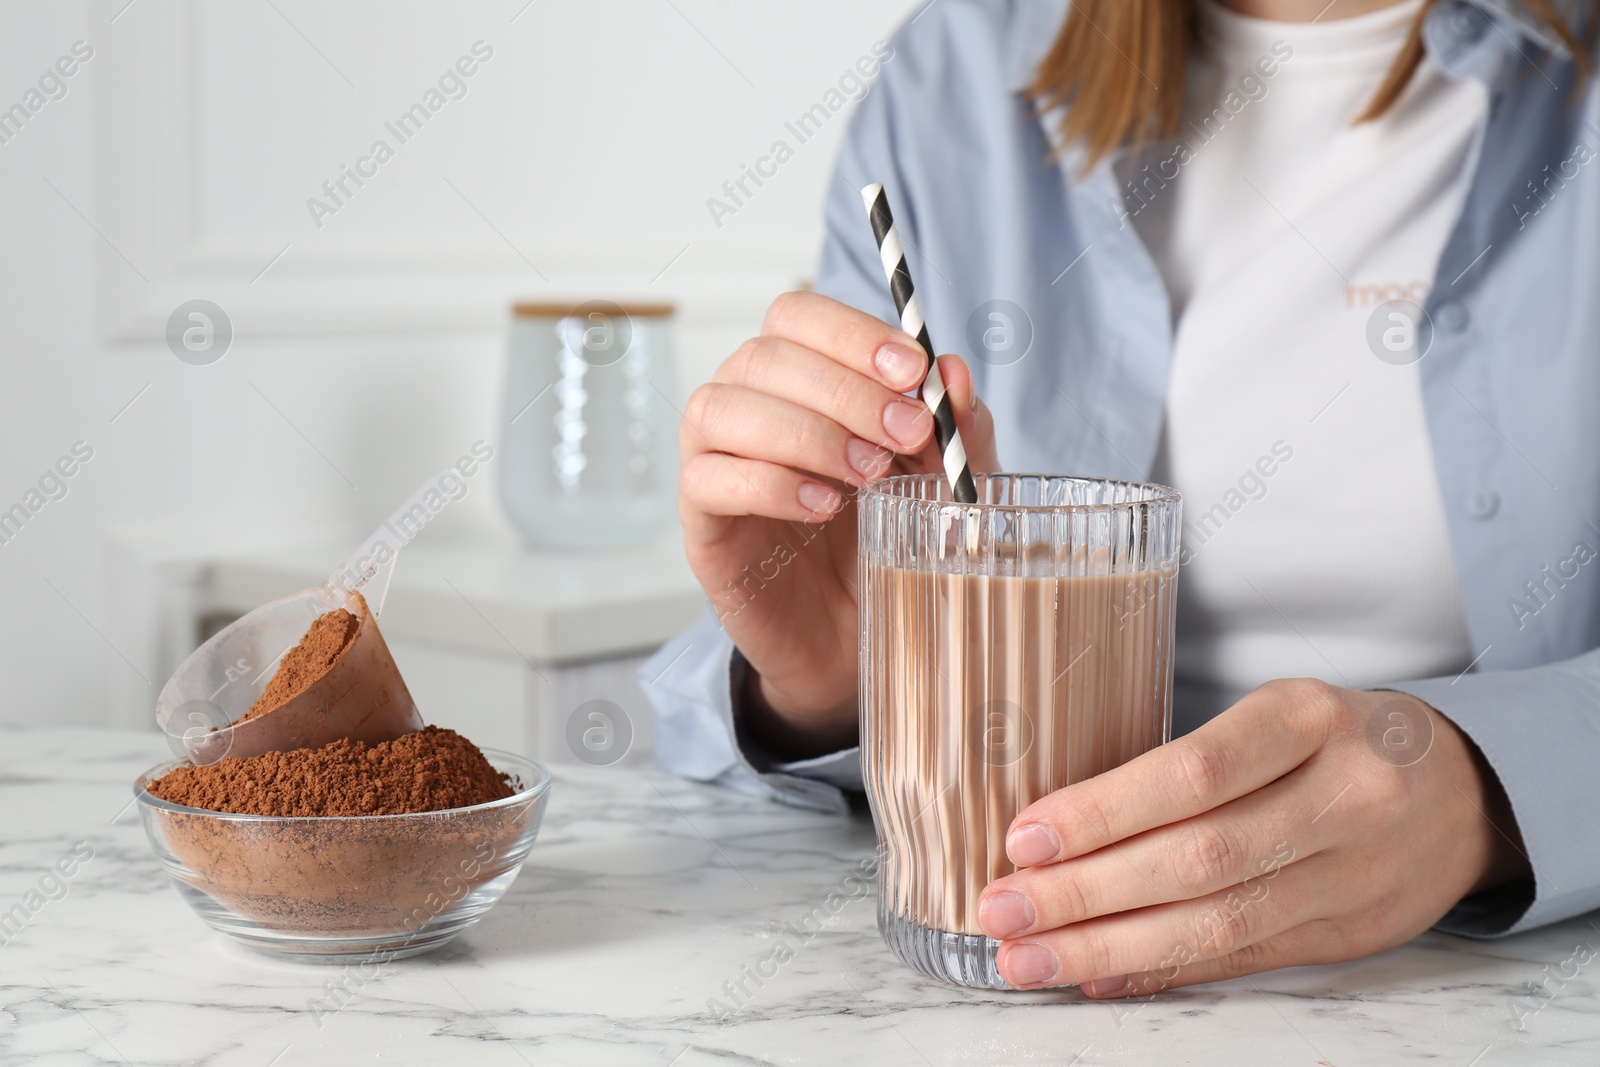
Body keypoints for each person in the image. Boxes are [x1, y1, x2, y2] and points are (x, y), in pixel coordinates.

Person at [640, 0, 1600, 997]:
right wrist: (843, 685)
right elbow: (792, 644)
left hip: (1473, 990)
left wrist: (1483, 792)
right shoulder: (957, 71)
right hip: (1013, 976)